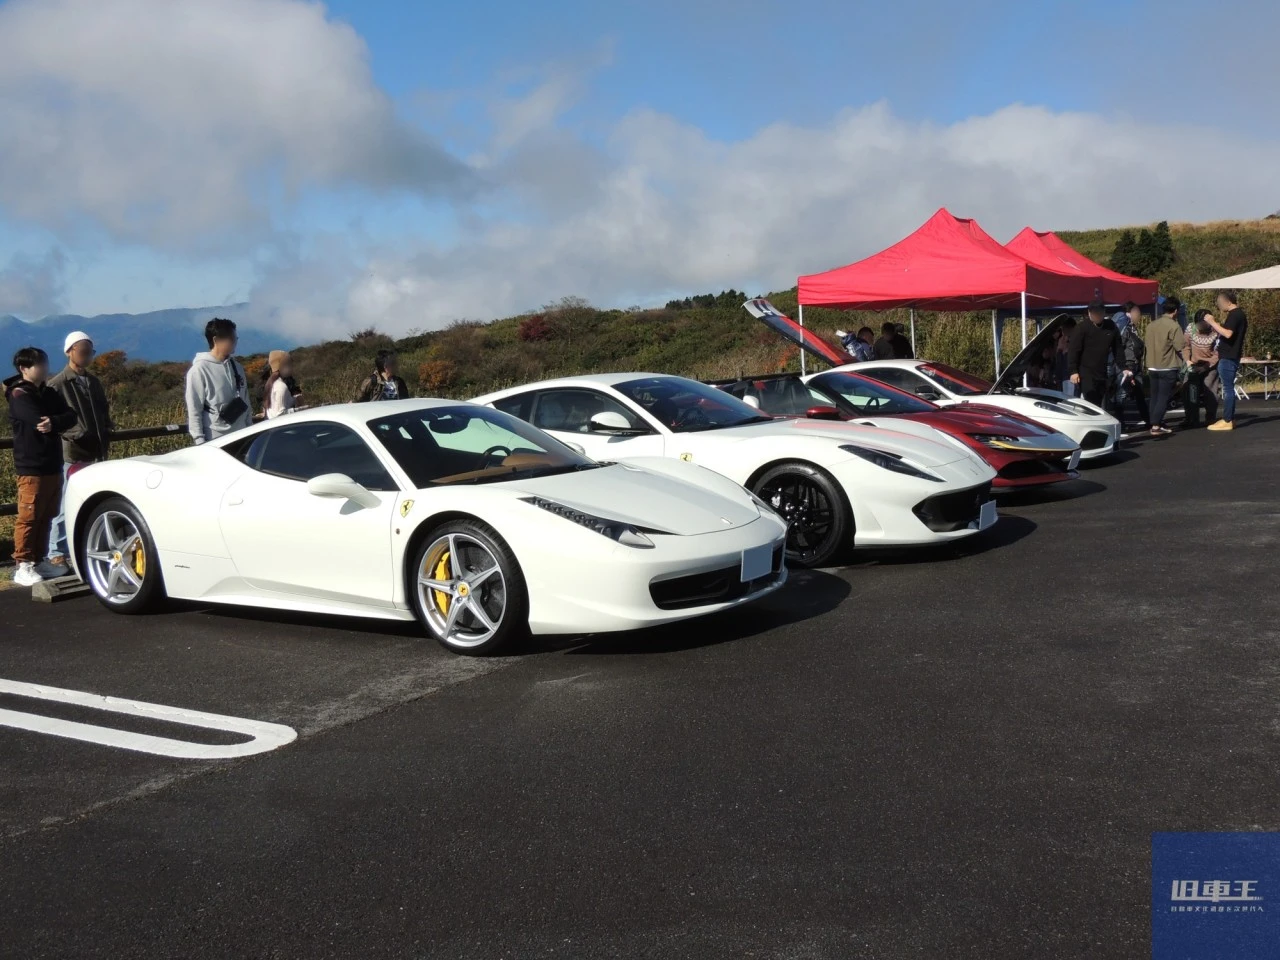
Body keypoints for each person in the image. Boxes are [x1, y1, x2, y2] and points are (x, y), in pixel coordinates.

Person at [5, 348, 78, 587]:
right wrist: (54, 420)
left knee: (47, 515)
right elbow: (37, 421)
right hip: (31, 465)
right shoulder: (19, 394)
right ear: (24, 368)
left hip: (52, 462)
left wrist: (54, 421)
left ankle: (38, 560)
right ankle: (22, 564)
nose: (44, 368)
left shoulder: (47, 391)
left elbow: (70, 415)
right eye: (39, 364)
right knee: (29, 516)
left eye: (44, 362)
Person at [44, 331, 113, 576]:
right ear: (69, 351)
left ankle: (83, 547)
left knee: (92, 499)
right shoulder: (58, 383)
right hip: (73, 451)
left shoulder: (93, 381)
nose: (86, 355)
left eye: (89, 351)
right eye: (82, 350)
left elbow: (103, 409)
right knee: (65, 503)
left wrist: (106, 426)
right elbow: (53, 418)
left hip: (96, 449)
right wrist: (78, 432)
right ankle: (56, 552)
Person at [185, 317, 252, 444]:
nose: (235, 342)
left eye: (235, 339)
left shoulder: (237, 367)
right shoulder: (199, 370)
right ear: (216, 340)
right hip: (215, 438)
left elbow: (246, 400)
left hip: (242, 434)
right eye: (231, 339)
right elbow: (194, 407)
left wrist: (250, 429)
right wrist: (199, 440)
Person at [1068, 300, 1130, 407]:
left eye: (1100, 313)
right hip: (1085, 372)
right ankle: (1091, 421)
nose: (1097, 316)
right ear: (1089, 313)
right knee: (1091, 400)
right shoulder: (1081, 328)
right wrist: (1073, 371)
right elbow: (1073, 350)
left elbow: (1117, 348)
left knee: (1099, 400)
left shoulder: (1111, 326)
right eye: (1094, 313)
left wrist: (1123, 367)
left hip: (1102, 372)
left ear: (1104, 313)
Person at [1203, 290, 1248, 430]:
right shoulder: (1237, 315)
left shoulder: (1235, 315)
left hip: (1228, 357)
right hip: (1229, 356)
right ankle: (1229, 419)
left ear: (1227, 301)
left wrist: (1212, 322)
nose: (1219, 305)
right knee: (1228, 388)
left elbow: (1228, 334)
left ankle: (1227, 419)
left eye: (1219, 302)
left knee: (1228, 389)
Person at [1142, 298, 1186, 436]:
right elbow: (1180, 346)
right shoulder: (1174, 326)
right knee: (1163, 397)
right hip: (1167, 365)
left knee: (1154, 396)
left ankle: (1155, 422)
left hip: (1152, 365)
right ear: (1176, 311)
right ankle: (1155, 425)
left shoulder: (1151, 325)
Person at [1113, 302, 1151, 428]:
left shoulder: (1134, 329)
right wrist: (1122, 366)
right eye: (1137, 312)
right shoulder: (1124, 330)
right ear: (1129, 313)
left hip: (1135, 365)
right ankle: (1120, 423)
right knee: (1122, 395)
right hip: (1127, 366)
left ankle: (1148, 420)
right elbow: (1119, 348)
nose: (1139, 315)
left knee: (1139, 393)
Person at [1183, 309, 1219, 428]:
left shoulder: (1216, 331)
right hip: (1193, 364)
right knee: (1189, 390)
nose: (1200, 327)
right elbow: (1185, 346)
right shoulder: (1190, 328)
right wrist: (1187, 361)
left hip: (1209, 365)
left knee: (1209, 388)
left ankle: (1210, 418)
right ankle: (1191, 418)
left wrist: (1205, 368)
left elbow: (1217, 354)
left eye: (1202, 324)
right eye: (1198, 324)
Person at [263, 351, 297, 419]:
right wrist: (299, 410)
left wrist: (295, 399)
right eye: (288, 364)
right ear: (281, 366)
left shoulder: (272, 384)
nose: (291, 367)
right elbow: (279, 414)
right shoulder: (281, 386)